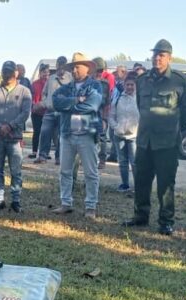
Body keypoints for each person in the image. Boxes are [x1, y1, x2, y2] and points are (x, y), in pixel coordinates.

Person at [122, 39, 186, 235]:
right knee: (142, 180)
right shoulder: (143, 79)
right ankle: (141, 216)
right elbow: (141, 105)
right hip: (145, 139)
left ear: (169, 58)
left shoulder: (179, 81)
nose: (157, 58)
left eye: (161, 55)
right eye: (155, 54)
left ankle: (166, 221)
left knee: (166, 183)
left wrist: (173, 124)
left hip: (167, 142)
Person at [50, 53, 102, 218]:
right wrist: (77, 100)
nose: (74, 70)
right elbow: (55, 102)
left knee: (90, 172)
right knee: (65, 170)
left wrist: (69, 105)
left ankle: (91, 206)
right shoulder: (66, 87)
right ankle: (66, 203)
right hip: (67, 132)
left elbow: (92, 105)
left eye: (77, 66)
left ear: (87, 68)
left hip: (87, 133)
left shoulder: (95, 86)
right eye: (72, 67)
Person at [0, 61, 32, 213]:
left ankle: (16, 200)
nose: (7, 75)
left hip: (15, 137)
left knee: (16, 170)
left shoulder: (25, 91)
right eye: (5, 72)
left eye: (10, 72)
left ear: (16, 73)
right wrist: (0, 127)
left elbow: (25, 113)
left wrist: (10, 126)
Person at [35, 56, 72, 165]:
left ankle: (59, 157)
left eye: (63, 65)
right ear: (56, 65)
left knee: (62, 135)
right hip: (50, 111)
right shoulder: (51, 78)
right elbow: (44, 93)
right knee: (45, 132)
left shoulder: (70, 78)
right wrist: (46, 103)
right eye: (59, 64)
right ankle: (42, 156)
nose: (60, 67)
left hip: (63, 112)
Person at [109, 73, 139, 193]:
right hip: (119, 135)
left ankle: (138, 186)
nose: (130, 87)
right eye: (127, 85)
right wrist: (116, 127)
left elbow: (143, 117)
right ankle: (125, 184)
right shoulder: (117, 99)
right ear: (124, 85)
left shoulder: (139, 99)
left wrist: (139, 129)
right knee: (122, 162)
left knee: (135, 162)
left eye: (132, 85)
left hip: (134, 136)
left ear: (135, 86)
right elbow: (111, 116)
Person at [93, 57, 114, 167]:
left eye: (101, 70)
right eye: (97, 70)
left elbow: (107, 102)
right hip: (88, 114)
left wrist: (105, 119)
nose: (99, 73)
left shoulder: (105, 84)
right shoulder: (88, 82)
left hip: (100, 114)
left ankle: (102, 160)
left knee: (102, 138)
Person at [28, 64, 49, 159]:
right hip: (36, 112)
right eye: (44, 72)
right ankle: (34, 151)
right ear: (40, 73)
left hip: (47, 111)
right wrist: (34, 105)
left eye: (47, 72)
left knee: (46, 133)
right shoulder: (34, 84)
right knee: (37, 131)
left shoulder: (49, 83)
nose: (46, 74)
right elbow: (31, 97)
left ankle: (45, 152)